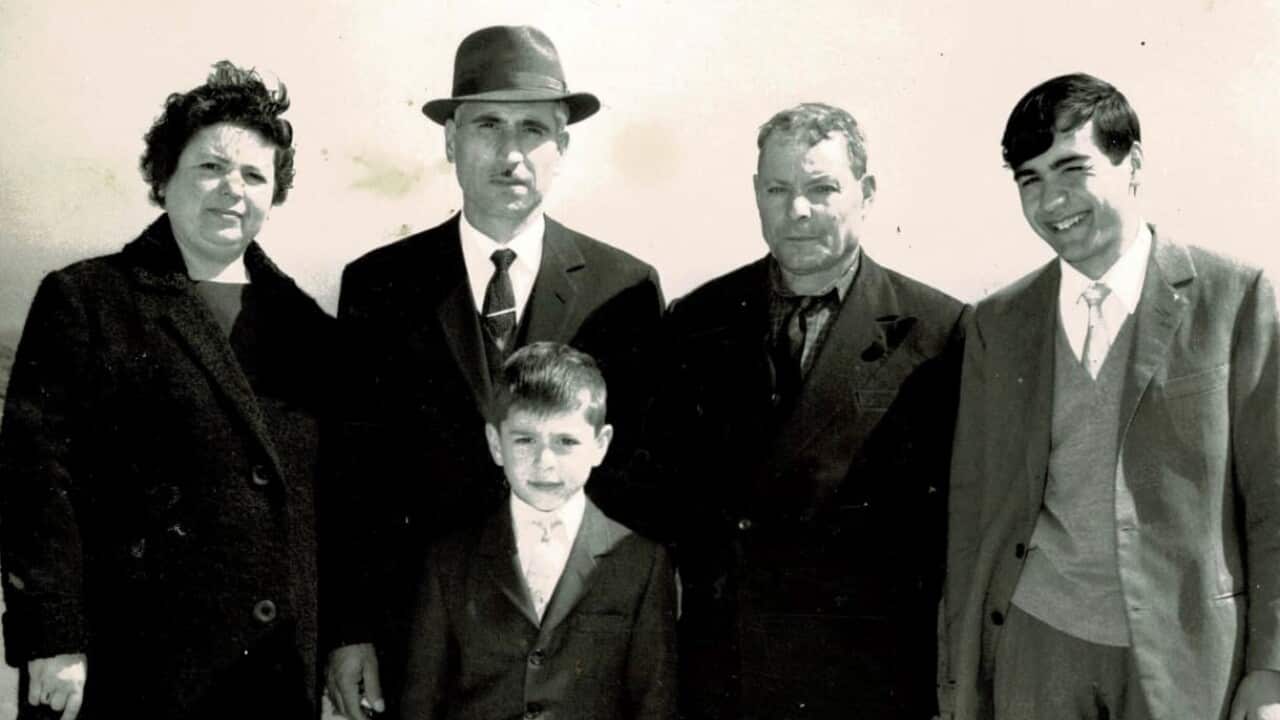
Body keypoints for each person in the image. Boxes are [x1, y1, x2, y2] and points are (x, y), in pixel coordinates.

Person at [323, 25, 664, 719]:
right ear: (450, 142)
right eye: (486, 125)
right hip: (416, 648)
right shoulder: (380, 286)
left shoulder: (622, 289)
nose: (511, 153)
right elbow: (352, 472)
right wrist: (349, 630)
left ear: (562, 146)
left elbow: (635, 476)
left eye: (533, 129)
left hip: (570, 661)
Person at [940, 73, 1280, 720]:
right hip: (1038, 652)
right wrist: (959, 679)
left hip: (1189, 662)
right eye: (1030, 179)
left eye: (1073, 167)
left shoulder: (1234, 298)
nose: (1052, 199)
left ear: (1134, 165)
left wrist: (1272, 671)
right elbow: (973, 511)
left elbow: (1275, 499)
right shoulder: (997, 323)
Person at [0, 61, 331, 719]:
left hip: (269, 671)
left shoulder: (307, 328)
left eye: (254, 175)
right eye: (210, 167)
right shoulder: (85, 300)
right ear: (164, 176)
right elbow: (38, 484)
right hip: (128, 662)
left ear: (276, 195)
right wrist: (53, 637)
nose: (231, 189)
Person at [651, 102, 967, 719]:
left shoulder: (938, 332)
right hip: (726, 678)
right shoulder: (696, 321)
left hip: (865, 680)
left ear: (866, 192)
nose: (797, 210)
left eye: (822, 189)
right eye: (778, 189)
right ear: (756, 194)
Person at [398, 342, 677, 720]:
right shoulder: (448, 560)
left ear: (600, 445)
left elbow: (654, 706)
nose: (544, 463)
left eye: (566, 442)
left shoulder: (641, 562)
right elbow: (420, 703)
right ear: (496, 444)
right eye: (525, 440)